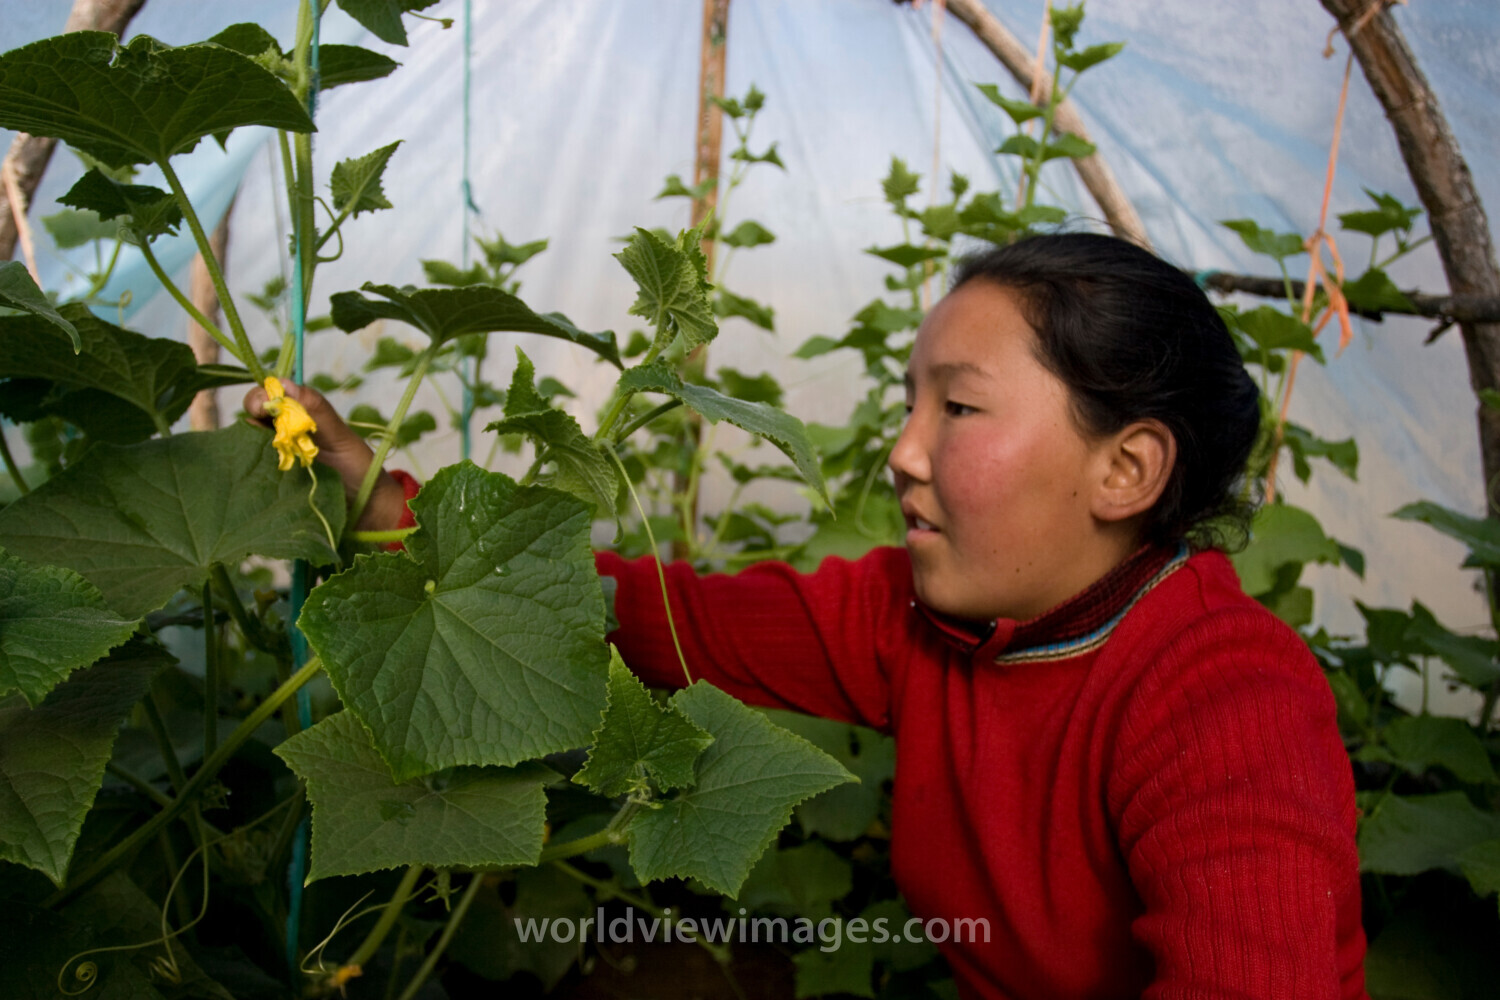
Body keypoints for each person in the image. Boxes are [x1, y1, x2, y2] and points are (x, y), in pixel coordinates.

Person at [246, 233, 1368, 999]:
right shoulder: (915, 619)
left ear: (1126, 469)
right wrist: (392, 514)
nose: (903, 449)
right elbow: (655, 618)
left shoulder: (1228, 695)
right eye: (910, 402)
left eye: (960, 407)